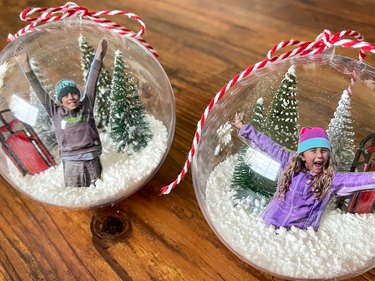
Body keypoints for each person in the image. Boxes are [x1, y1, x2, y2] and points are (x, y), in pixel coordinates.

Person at [233, 113, 375, 230]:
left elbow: (358, 180)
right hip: (269, 222)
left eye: (324, 151)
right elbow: (267, 145)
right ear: (302, 155)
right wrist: (244, 128)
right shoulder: (288, 161)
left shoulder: (330, 179)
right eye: (313, 151)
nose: (319, 155)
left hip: (299, 234)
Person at [15, 39, 108, 188]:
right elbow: (38, 88)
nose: (70, 97)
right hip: (71, 160)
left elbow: (92, 80)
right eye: (65, 95)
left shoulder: (86, 105)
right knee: (74, 189)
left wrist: (98, 57)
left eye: (74, 93)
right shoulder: (55, 111)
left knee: (96, 187)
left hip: (92, 157)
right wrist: (25, 65)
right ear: (59, 100)